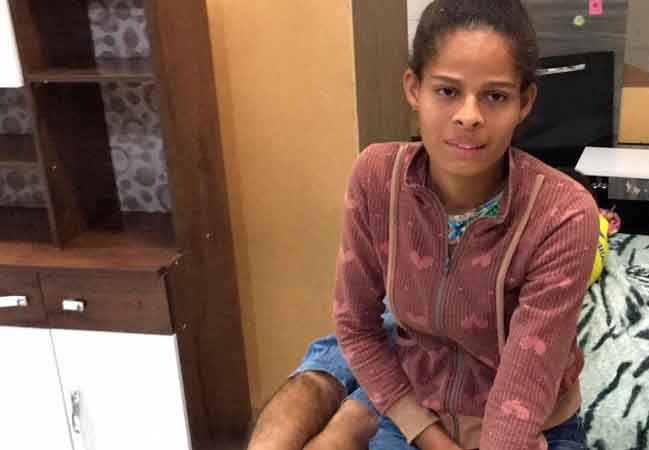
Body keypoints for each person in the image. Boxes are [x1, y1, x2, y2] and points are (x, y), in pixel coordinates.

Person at [248, 1, 606, 449]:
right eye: (448, 91)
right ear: (414, 88)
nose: (469, 115)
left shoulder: (563, 213)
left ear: (525, 102)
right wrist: (429, 435)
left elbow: (524, 389)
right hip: (419, 413)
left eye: (495, 96)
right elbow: (356, 327)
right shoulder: (376, 178)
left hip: (531, 426)